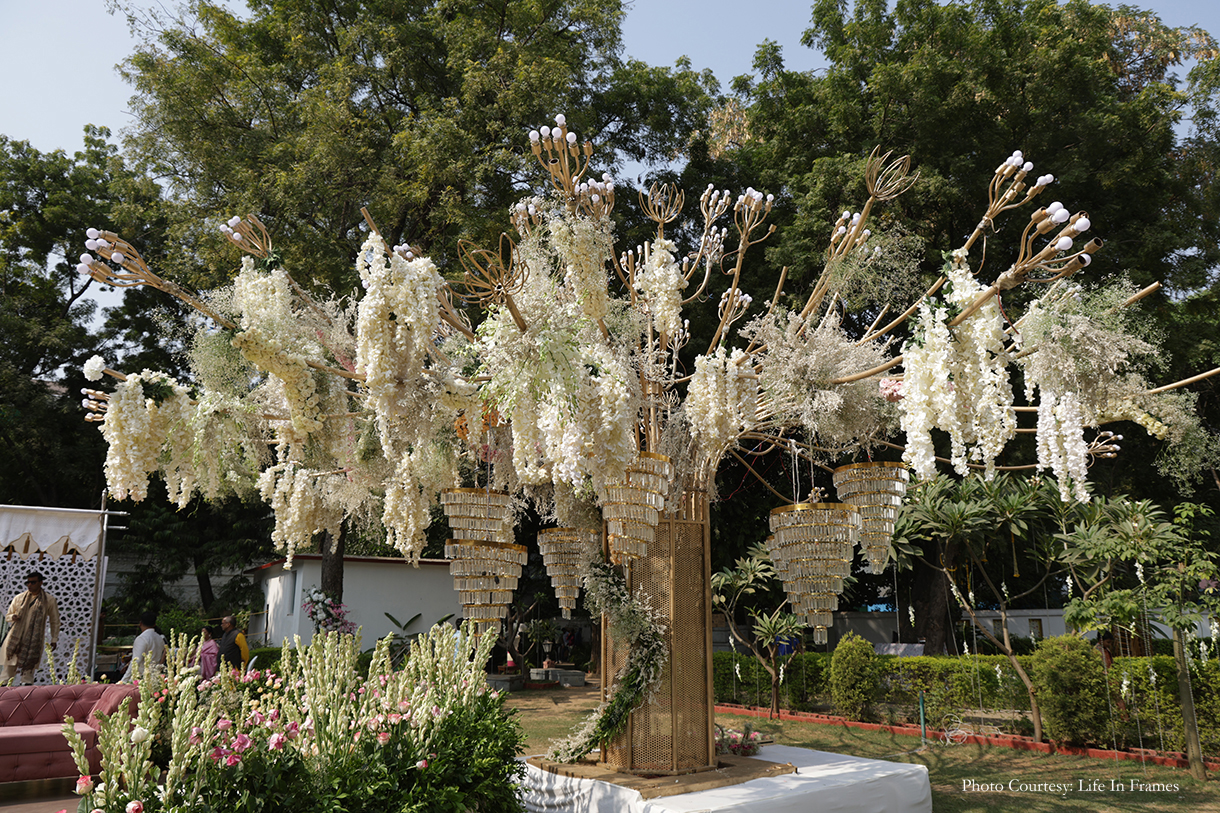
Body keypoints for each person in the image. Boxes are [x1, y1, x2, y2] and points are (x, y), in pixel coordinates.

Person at [1, 571, 60, 685]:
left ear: (41, 583)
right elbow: (8, 616)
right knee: (7, 671)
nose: (29, 585)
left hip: (33, 640)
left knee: (28, 673)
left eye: (33, 582)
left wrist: (54, 639)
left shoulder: (49, 600)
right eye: (27, 582)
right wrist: (13, 617)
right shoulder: (19, 598)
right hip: (15, 638)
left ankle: (26, 693)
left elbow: (55, 621)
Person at [122, 611, 166, 683]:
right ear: (154, 624)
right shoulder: (160, 638)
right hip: (154, 678)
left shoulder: (142, 639)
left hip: (140, 679)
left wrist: (123, 681)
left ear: (140, 623)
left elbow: (136, 662)